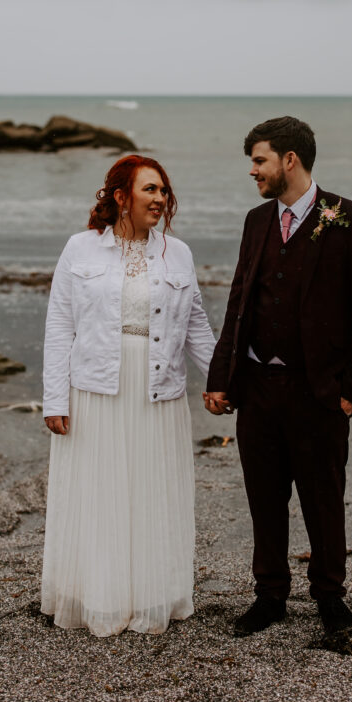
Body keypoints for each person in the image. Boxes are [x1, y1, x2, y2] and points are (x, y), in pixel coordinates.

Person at [204, 117, 352, 638]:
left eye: (259, 161)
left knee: (323, 498)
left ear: (290, 160)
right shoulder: (256, 222)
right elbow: (238, 303)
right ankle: (269, 596)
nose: (253, 171)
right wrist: (222, 376)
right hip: (258, 386)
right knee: (264, 497)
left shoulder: (350, 219)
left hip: (319, 392)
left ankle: (330, 596)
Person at [41, 155, 216, 636]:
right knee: (101, 492)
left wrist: (222, 379)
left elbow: (196, 325)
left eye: (163, 191)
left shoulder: (177, 253)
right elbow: (60, 326)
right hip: (96, 388)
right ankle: (99, 596)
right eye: (150, 190)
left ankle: (150, 596)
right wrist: (54, 399)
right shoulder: (80, 249)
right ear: (121, 196)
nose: (160, 199)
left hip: (159, 388)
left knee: (150, 487)